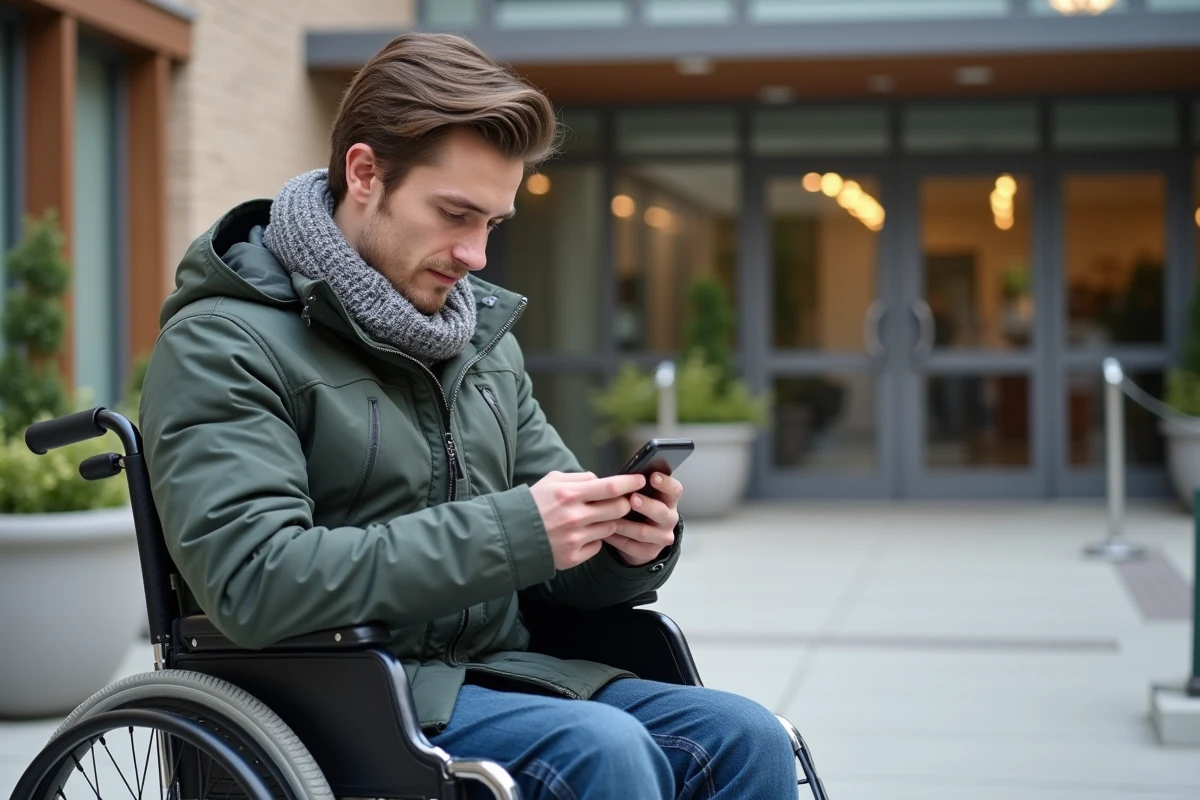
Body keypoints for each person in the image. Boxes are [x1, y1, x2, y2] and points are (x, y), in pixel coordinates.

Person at [139, 32, 797, 800]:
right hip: (341, 697)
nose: (476, 255)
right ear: (365, 173)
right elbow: (256, 581)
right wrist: (518, 532)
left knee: (745, 737)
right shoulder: (223, 343)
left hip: (494, 675)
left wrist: (623, 545)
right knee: (604, 752)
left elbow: (551, 558)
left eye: (492, 223)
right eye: (455, 214)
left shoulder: (479, 345)